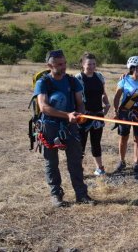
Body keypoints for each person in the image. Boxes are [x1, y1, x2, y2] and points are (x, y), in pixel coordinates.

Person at [33, 49, 95, 207]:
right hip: (49, 127)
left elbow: (80, 103)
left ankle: (81, 195)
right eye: (59, 64)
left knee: (75, 161)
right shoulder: (43, 83)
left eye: (64, 63)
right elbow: (44, 107)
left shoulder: (73, 81)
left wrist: (80, 115)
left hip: (70, 127)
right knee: (51, 162)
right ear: (50, 65)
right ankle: (56, 195)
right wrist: (67, 115)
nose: (63, 67)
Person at [113, 56, 138, 173]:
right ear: (132, 68)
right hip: (125, 112)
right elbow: (117, 96)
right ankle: (122, 161)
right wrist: (115, 111)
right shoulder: (124, 80)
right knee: (123, 137)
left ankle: (136, 163)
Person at [75, 52, 110, 176]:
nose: (92, 66)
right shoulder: (77, 78)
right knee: (81, 144)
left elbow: (103, 93)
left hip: (98, 115)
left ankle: (100, 168)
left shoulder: (99, 76)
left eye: (94, 64)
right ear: (83, 65)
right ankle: (78, 170)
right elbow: (75, 98)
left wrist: (107, 104)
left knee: (96, 142)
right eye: (89, 64)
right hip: (83, 117)